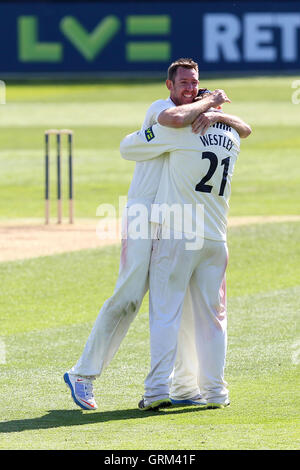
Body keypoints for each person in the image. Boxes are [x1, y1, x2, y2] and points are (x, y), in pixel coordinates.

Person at [64, 58, 251, 411]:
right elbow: (127, 148)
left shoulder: (196, 119)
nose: (189, 89)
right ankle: (83, 374)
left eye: (194, 83)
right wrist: (210, 104)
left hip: (176, 219)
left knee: (179, 306)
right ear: (170, 85)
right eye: (183, 83)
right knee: (131, 296)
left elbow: (242, 127)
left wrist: (213, 113)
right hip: (143, 216)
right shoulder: (162, 110)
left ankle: (184, 385)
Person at [120, 105, 242, 409]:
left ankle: (157, 390)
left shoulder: (180, 132)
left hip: (177, 235)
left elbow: (129, 147)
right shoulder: (233, 137)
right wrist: (218, 114)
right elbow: (245, 126)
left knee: (165, 313)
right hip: (216, 239)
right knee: (214, 320)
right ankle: (216, 393)